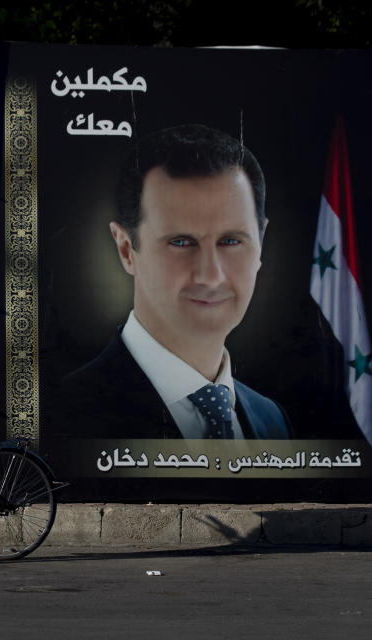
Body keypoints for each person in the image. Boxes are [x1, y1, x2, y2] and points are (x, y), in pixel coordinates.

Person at [60, 124, 290, 439]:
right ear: (126, 249)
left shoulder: (272, 420)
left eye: (231, 241)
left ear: (260, 242)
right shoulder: (64, 417)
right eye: (181, 242)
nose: (211, 276)